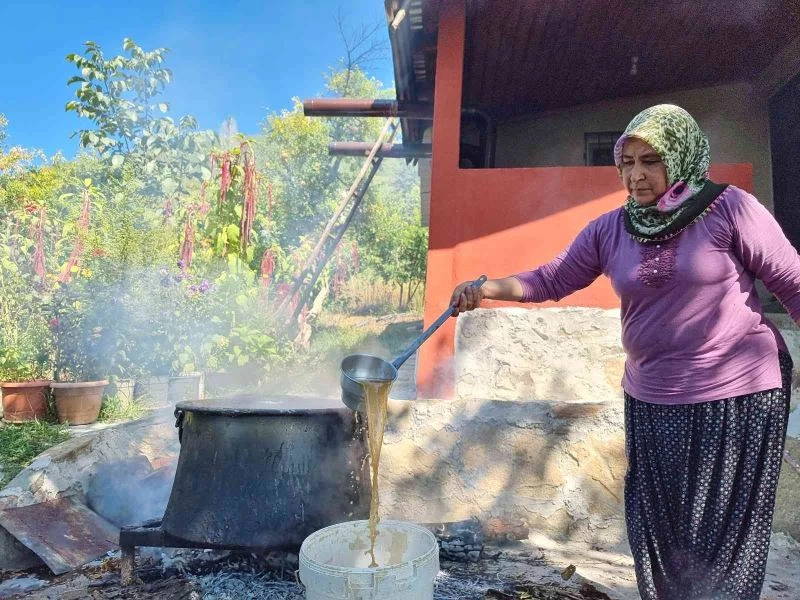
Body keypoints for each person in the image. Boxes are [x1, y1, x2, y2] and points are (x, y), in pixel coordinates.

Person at [450, 104, 800, 600]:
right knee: (661, 533)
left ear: (680, 157)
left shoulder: (731, 209)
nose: (636, 175)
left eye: (651, 161)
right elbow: (553, 277)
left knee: (720, 541)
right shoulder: (611, 228)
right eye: (627, 162)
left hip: (736, 398)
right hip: (653, 399)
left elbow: (792, 281)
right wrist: (485, 289)